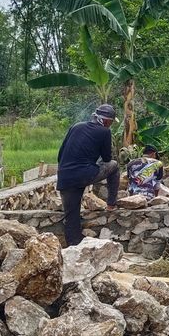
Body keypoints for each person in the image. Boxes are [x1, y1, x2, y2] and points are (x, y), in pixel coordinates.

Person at [56, 103, 119, 246]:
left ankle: (74, 246)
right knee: (114, 166)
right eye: (110, 123)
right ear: (106, 121)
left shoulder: (76, 126)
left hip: (65, 177)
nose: (110, 125)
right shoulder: (104, 132)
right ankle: (111, 204)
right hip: (85, 174)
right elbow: (107, 159)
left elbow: (60, 155)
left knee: (71, 216)